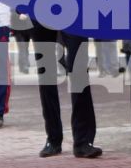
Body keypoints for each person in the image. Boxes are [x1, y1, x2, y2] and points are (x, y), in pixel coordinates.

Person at [30, 20, 100, 158]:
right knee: (46, 74)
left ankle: (83, 141)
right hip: (39, 9)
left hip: (74, 11)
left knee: (79, 70)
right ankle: (53, 139)